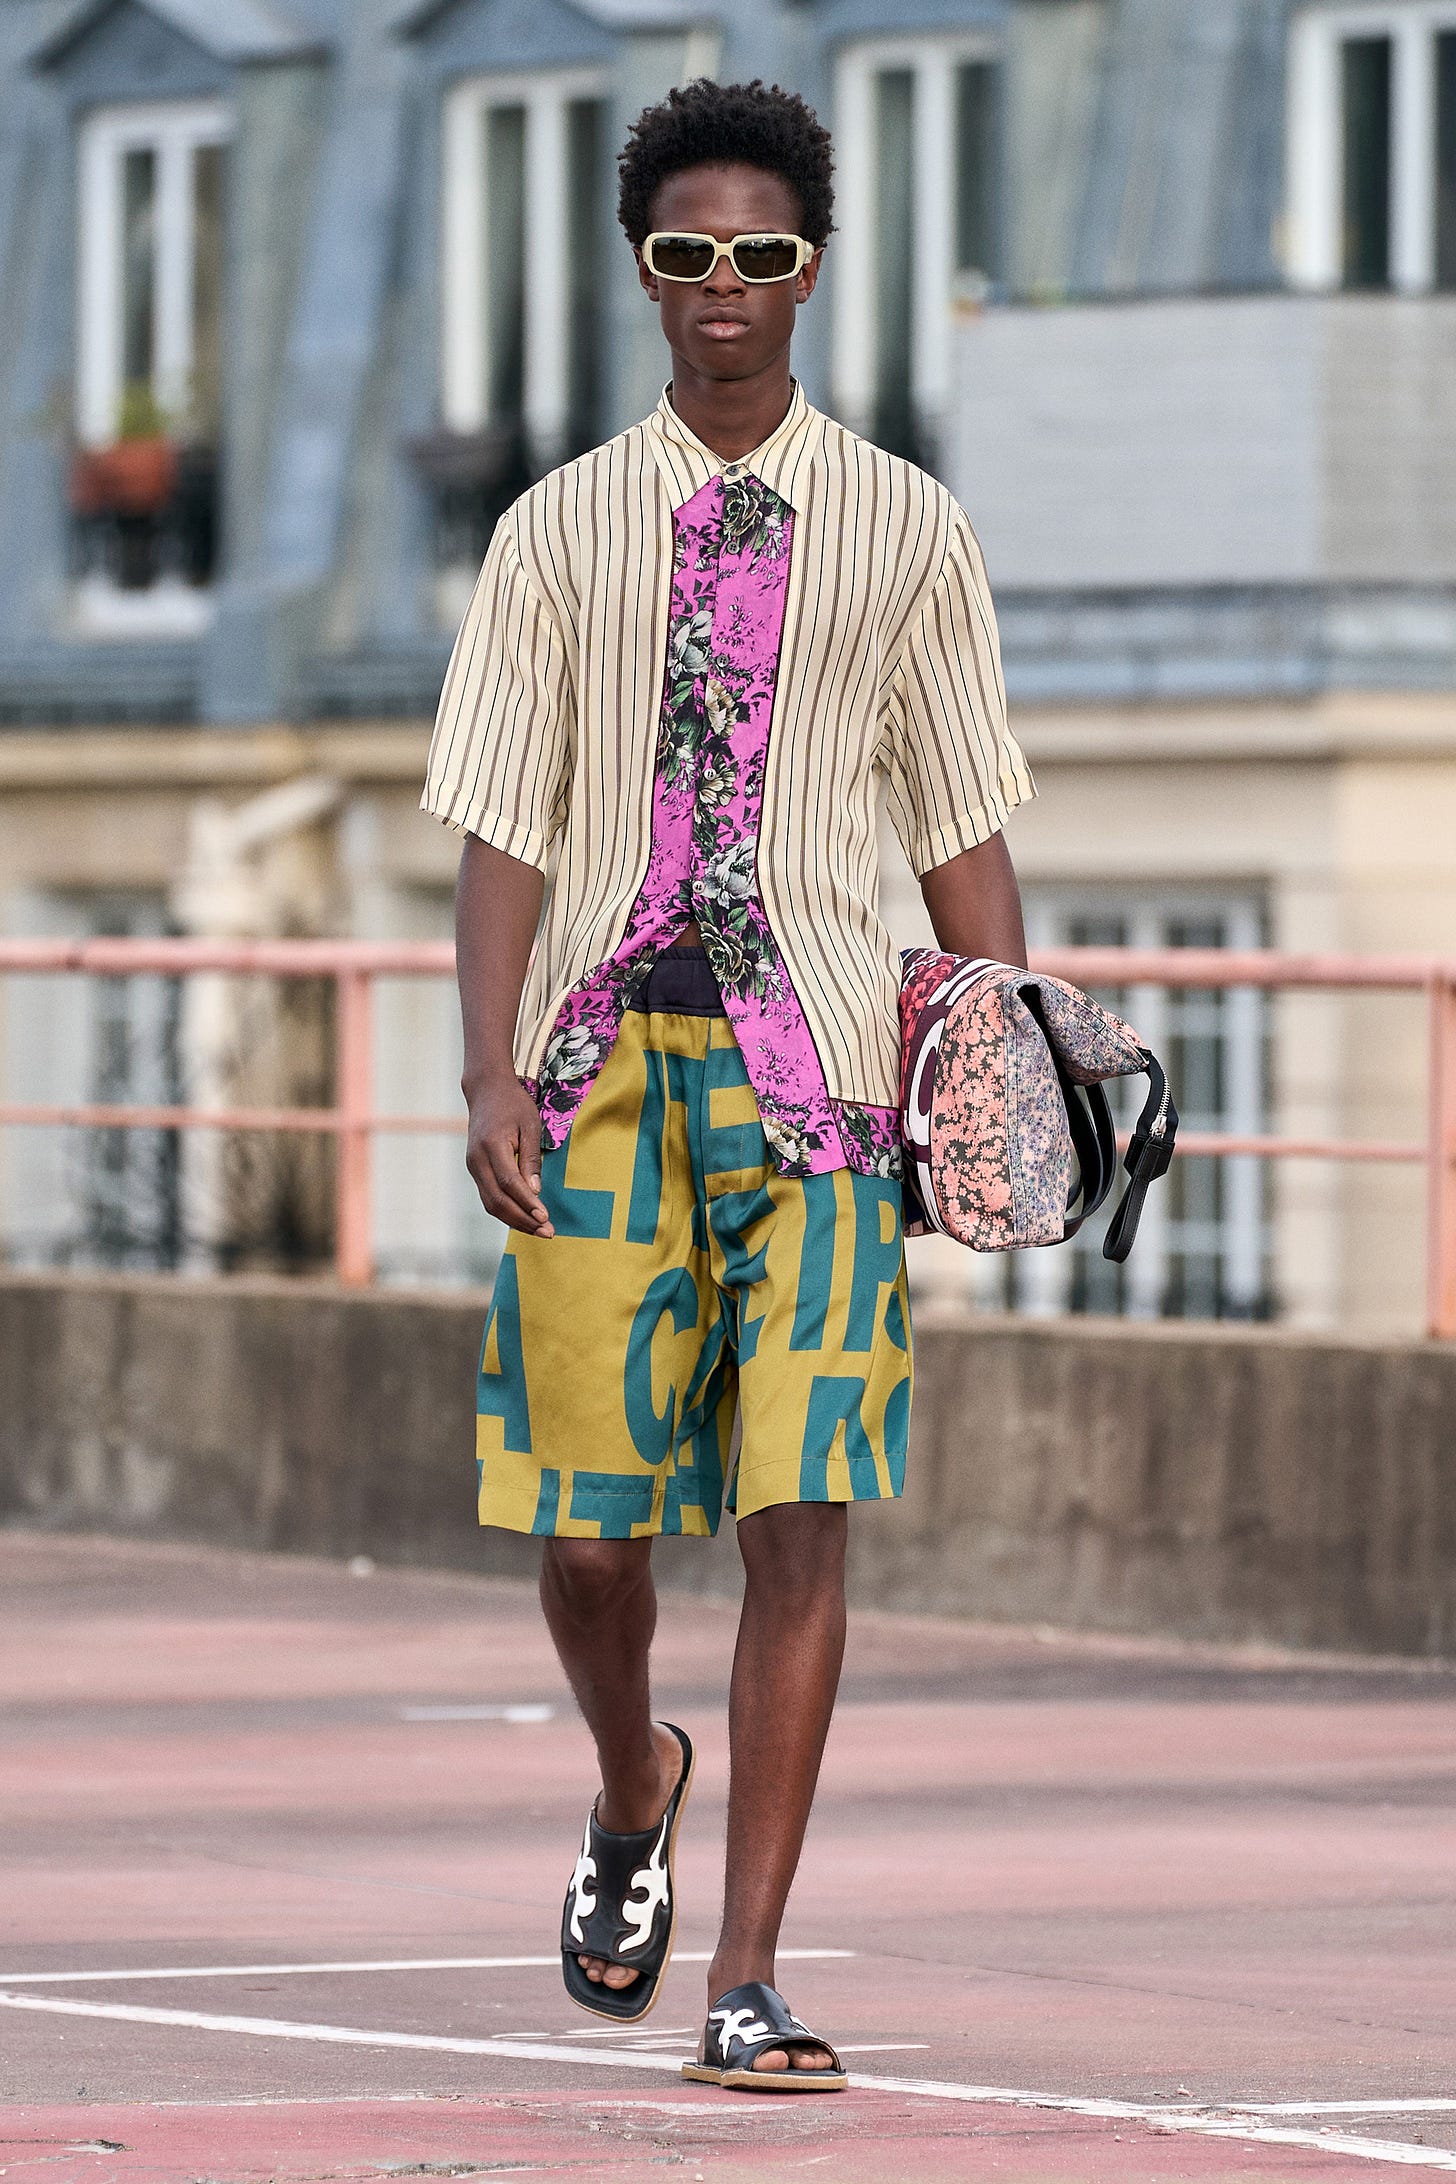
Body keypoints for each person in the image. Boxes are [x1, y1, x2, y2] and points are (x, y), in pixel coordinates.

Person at [422, 76, 1033, 2093]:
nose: (722, 289)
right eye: (685, 253)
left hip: (828, 1094)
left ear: (808, 271)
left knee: (802, 1517)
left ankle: (747, 1973)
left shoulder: (909, 529)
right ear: (641, 271)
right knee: (591, 1543)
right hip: (597, 1075)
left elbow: (956, 820)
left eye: (759, 254)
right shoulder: (553, 531)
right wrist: (490, 1067)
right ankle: (628, 1783)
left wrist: (1004, 1061)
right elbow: (501, 820)